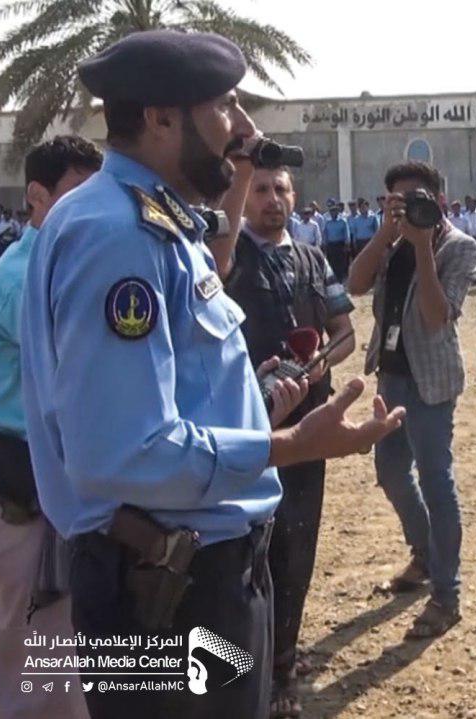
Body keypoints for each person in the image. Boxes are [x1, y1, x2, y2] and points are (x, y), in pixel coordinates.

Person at [20, 31, 404, 719]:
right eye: (225, 105)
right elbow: (125, 451)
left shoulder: (152, 221)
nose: (245, 128)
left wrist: (249, 403)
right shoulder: (118, 236)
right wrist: (290, 445)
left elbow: (167, 389)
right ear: (161, 118)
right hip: (165, 591)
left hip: (187, 573)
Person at [213, 163, 357, 719]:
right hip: (247, 419)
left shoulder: (313, 258)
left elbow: (345, 334)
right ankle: (245, 661)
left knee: (298, 542)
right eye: (261, 189)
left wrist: (320, 360)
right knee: (247, 546)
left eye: (281, 189)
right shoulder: (227, 259)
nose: (272, 199)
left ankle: (283, 665)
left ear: (295, 197)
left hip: (309, 422)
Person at [0, 135, 101, 719]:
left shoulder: (60, 264)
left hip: (41, 476)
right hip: (14, 483)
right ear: (35, 195)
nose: (91, 207)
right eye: (77, 192)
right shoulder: (22, 279)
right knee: (33, 644)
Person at [348, 160, 476, 639]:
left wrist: (422, 245)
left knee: (437, 482)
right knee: (389, 472)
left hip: (431, 383)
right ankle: (423, 555)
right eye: (399, 202)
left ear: (439, 200)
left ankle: (446, 596)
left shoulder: (459, 246)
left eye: (417, 200)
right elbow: (354, 284)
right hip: (392, 376)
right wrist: (388, 234)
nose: (409, 209)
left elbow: (435, 315)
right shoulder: (392, 241)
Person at [322, 203, 352, 281]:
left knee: (340, 263)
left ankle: (340, 278)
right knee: (332, 262)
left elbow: (347, 234)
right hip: (331, 245)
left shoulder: (343, 221)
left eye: (334, 211)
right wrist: (324, 244)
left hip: (340, 244)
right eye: (331, 211)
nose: (333, 213)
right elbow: (325, 234)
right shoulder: (328, 222)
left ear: (337, 212)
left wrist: (347, 244)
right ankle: (334, 278)